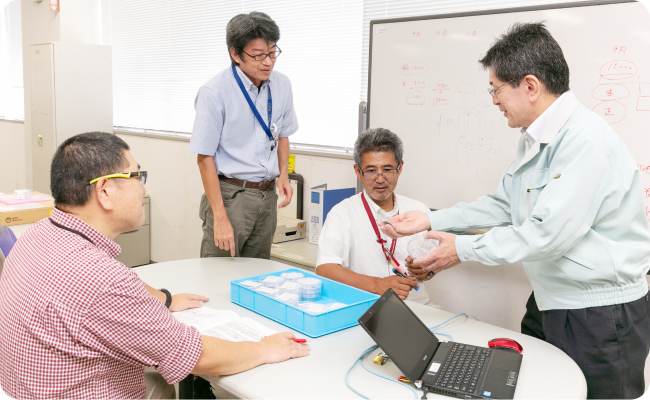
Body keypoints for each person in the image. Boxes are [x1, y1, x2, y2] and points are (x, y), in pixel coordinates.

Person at [382, 22, 650, 400]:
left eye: (495, 89)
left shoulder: (584, 140)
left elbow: (548, 234)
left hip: (599, 313)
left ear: (529, 85)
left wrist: (460, 249)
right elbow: (504, 203)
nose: (493, 100)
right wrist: (431, 219)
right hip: (550, 299)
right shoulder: (535, 139)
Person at [0, 132, 309, 400]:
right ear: (105, 190)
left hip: (27, 388)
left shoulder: (40, 233)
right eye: (137, 177)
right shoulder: (101, 279)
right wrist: (264, 348)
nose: (143, 189)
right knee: (165, 379)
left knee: (157, 378)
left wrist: (167, 299)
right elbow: (194, 355)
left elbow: (107, 289)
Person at [190, 12, 298, 259]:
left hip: (267, 195)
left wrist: (283, 174)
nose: (268, 62)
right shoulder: (214, 92)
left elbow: (282, 134)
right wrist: (219, 217)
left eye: (272, 52)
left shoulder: (282, 85)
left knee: (258, 276)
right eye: (258, 55)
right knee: (218, 274)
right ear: (235, 54)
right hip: (230, 196)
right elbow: (204, 158)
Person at [316, 128, 436, 305]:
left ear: (400, 168)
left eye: (387, 169)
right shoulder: (341, 214)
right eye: (371, 171)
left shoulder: (418, 210)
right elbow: (325, 269)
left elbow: (432, 263)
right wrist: (376, 284)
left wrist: (426, 271)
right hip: (366, 309)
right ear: (358, 171)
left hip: (417, 307)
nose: (380, 179)